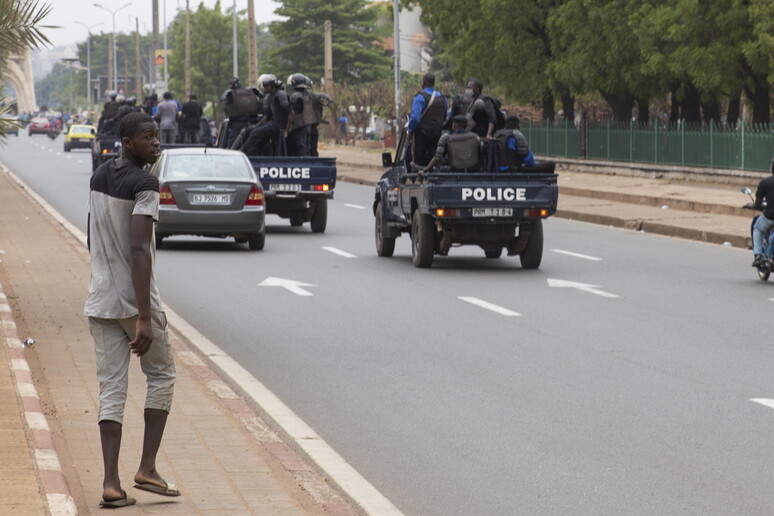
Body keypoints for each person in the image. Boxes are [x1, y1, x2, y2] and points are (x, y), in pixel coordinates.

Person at [84, 112, 179, 509]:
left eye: (157, 136)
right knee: (161, 374)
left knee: (111, 390)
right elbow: (141, 248)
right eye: (147, 137)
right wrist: (143, 315)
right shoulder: (146, 184)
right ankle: (147, 468)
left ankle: (110, 483)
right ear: (127, 142)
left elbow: (92, 232)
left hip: (100, 299)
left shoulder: (99, 176)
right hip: (136, 301)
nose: (156, 143)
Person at [242, 74, 291, 156]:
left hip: (279, 124)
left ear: (272, 86)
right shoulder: (271, 96)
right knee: (249, 131)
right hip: (273, 122)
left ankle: (244, 153)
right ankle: (249, 154)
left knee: (255, 133)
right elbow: (267, 116)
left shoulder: (280, 95)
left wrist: (286, 130)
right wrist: (257, 125)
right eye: (264, 86)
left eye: (266, 86)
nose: (264, 88)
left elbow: (291, 113)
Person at [408, 72, 447, 167]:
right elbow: (444, 117)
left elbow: (415, 119)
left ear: (423, 83)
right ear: (434, 83)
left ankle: (419, 179)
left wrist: (409, 131)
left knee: (418, 164)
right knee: (435, 161)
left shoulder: (420, 97)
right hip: (437, 134)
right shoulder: (443, 98)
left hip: (422, 135)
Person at [748, 158, 774, 266]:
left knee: (757, 228)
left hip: (770, 217)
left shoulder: (765, 182)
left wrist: (752, 206)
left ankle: (758, 255)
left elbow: (757, 203)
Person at [287, 73, 316, 156]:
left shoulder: (295, 96)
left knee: (299, 148)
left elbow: (292, 114)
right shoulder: (309, 96)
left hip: (298, 127)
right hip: (308, 126)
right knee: (307, 147)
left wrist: (287, 128)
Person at [307, 76, 332, 157]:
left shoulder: (298, 97)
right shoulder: (317, 97)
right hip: (313, 127)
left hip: (303, 128)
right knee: (313, 149)